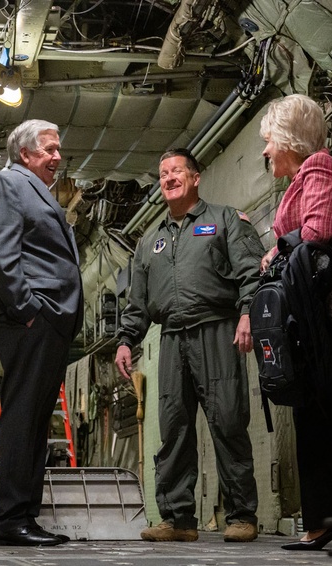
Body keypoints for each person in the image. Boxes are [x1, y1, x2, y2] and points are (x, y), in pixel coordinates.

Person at [115, 148, 264, 543]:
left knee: (228, 421)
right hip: (171, 338)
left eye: (176, 170)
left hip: (217, 329)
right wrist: (127, 340)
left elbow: (251, 272)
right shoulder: (150, 241)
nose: (168, 178)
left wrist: (249, 312)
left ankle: (242, 515)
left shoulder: (224, 220)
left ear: (195, 178)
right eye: (162, 173)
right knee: (174, 428)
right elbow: (138, 302)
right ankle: (179, 520)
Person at [0, 119, 83, 545]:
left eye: (58, 149)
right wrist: (28, 311)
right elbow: (1, 252)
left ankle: (23, 515)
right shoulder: (7, 183)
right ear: (25, 153)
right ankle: (8, 521)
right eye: (49, 149)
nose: (57, 157)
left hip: (50, 319)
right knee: (23, 418)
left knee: (35, 421)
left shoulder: (36, 189)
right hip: (31, 318)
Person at [258, 94, 332, 551]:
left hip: (319, 313)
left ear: (288, 139)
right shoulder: (301, 175)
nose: (265, 152)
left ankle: (329, 519)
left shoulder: (317, 167)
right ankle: (324, 520)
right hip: (306, 310)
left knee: (317, 410)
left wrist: (277, 248)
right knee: (311, 411)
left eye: (269, 141)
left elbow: (317, 232)